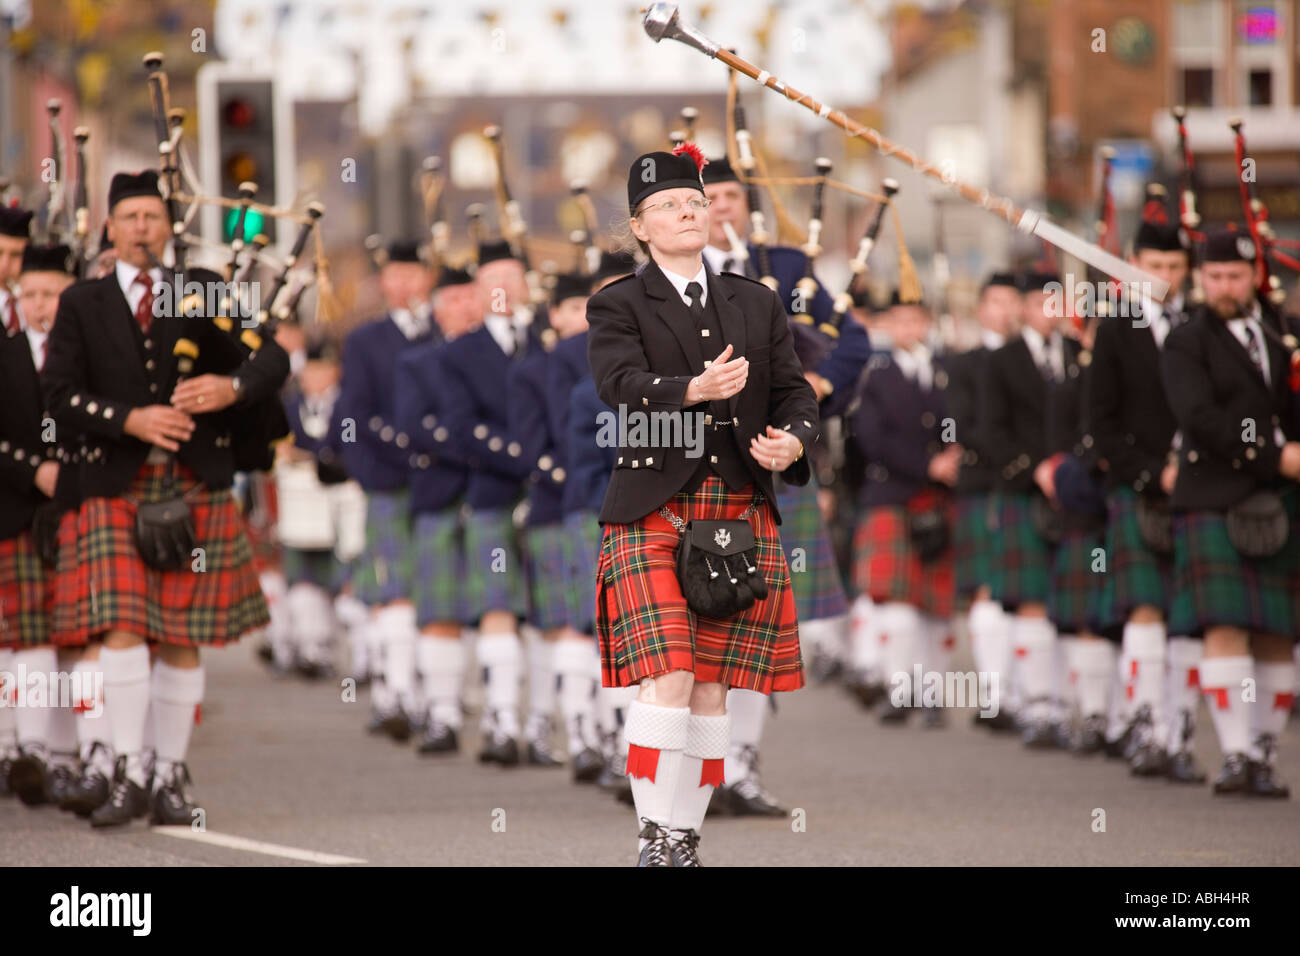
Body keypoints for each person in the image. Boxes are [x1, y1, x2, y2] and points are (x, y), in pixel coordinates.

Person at [587, 144, 818, 866]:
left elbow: (794, 393)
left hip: (737, 511)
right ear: (640, 228)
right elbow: (619, 384)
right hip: (655, 508)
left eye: (695, 202)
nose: (689, 213)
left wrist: (795, 443)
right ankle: (654, 835)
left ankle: (685, 836)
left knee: (715, 688)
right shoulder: (617, 302)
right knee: (673, 675)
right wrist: (692, 390)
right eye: (669, 207)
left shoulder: (755, 300)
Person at [42, 170, 290, 827]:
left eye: (153, 216)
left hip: (190, 481)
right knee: (123, 626)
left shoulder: (199, 290)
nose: (142, 228)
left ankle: (169, 774)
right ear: (111, 227)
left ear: (166, 225)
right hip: (115, 483)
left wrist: (229, 388)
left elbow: (272, 360)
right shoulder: (83, 302)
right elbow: (58, 394)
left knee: (182, 634)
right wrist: (132, 420)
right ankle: (129, 766)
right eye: (130, 217)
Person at [1160, 226, 1300, 798]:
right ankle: (1236, 752)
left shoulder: (1282, 334)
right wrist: (1274, 454)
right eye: (1213, 276)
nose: (1223, 286)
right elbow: (1200, 417)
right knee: (1225, 626)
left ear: (1254, 278)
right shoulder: (1186, 341)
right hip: (1214, 493)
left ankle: (1264, 751)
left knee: (1276, 631)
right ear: (1200, 279)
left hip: (1280, 501)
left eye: (1235, 276)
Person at [1089, 209, 1206, 779]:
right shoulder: (1115, 329)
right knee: (1146, 609)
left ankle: (1176, 732)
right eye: (1154, 265)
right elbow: (1101, 422)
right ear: (1133, 266)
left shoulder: (1202, 327)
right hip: (1139, 487)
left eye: (1174, 266)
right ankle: (1144, 723)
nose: (1164, 275)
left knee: (1189, 616)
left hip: (1202, 487)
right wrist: (1148, 472)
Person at [436, 241, 535, 765]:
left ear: (525, 286)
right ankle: (502, 720)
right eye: (492, 281)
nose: (503, 290)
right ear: (477, 293)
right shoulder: (458, 352)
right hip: (494, 494)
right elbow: (459, 426)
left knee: (553, 617)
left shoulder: (547, 342)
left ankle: (544, 723)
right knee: (497, 608)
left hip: (550, 497)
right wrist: (522, 456)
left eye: (511, 279)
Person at [334, 239, 436, 742]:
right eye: (393, 276)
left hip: (438, 481)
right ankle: (395, 693)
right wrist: (372, 465)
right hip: (388, 480)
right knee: (392, 588)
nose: (402, 285)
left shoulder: (443, 333)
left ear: (427, 278)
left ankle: (428, 697)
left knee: (430, 590)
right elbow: (351, 414)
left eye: (411, 274)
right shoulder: (364, 341)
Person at [983, 270, 1083, 747]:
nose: (1053, 312)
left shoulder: (1078, 356)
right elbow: (990, 430)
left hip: (1074, 492)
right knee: (1032, 601)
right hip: (1023, 491)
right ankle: (1038, 705)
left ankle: (1064, 705)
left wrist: (1069, 469)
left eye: (1058, 303)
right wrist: (1034, 470)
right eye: (1044, 303)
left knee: (1069, 602)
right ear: (1024, 307)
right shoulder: (1001, 360)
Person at [847, 295, 959, 726]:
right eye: (902, 320)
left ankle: (932, 693)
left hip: (938, 498)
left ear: (928, 324)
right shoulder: (875, 377)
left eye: (917, 320)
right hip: (891, 496)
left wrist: (951, 452)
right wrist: (927, 464)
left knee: (935, 604)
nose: (910, 328)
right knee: (897, 602)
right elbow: (871, 439)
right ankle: (898, 688)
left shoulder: (945, 373)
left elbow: (956, 423)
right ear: (890, 326)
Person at [393, 265, 479, 755]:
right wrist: (474, 447)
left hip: (496, 495)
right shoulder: (417, 362)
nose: (466, 307)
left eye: (473, 298)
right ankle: (442, 713)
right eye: (456, 300)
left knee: (503, 610)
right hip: (440, 496)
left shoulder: (504, 356)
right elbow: (414, 426)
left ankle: (511, 718)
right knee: (441, 610)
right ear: (438, 307)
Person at [0, 241, 75, 806]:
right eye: (29, 294)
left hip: (77, 506)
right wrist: (35, 471)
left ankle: (68, 752)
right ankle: (26, 748)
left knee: (77, 638)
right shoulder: (3, 355)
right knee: (26, 635)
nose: (39, 304)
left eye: (50, 293)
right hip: (17, 510)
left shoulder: (83, 356)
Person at [947, 273, 1018, 731]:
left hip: (1027, 488)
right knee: (990, 588)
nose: (1006, 311)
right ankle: (995, 694)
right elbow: (958, 425)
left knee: (1028, 594)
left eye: (1014, 301)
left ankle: (1032, 696)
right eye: (996, 302)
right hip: (985, 483)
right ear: (981, 309)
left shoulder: (1043, 359)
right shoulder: (964, 364)